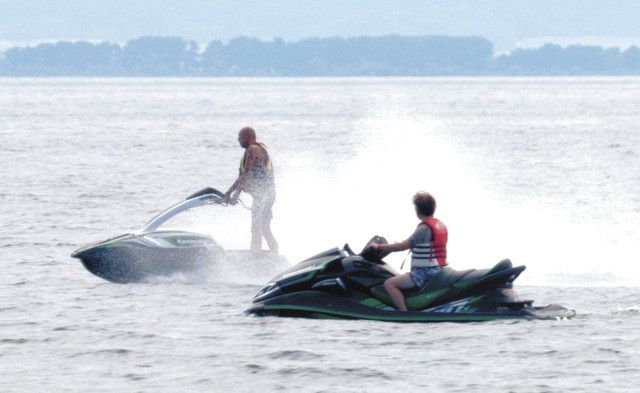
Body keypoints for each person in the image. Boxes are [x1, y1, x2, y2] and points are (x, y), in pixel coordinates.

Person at [372, 192, 448, 311]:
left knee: (389, 284)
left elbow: (403, 246)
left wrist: (380, 247)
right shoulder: (439, 225)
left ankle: (403, 313)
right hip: (437, 269)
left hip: (424, 272)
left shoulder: (424, 228)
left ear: (418, 210)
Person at [225, 127, 279, 253]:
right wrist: (229, 192)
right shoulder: (258, 149)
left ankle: (256, 257)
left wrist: (235, 194)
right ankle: (275, 254)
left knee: (256, 228)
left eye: (240, 136)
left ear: (249, 136)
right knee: (265, 228)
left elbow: (247, 174)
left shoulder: (252, 149)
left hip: (264, 195)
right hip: (267, 194)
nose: (238, 139)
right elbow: (242, 177)